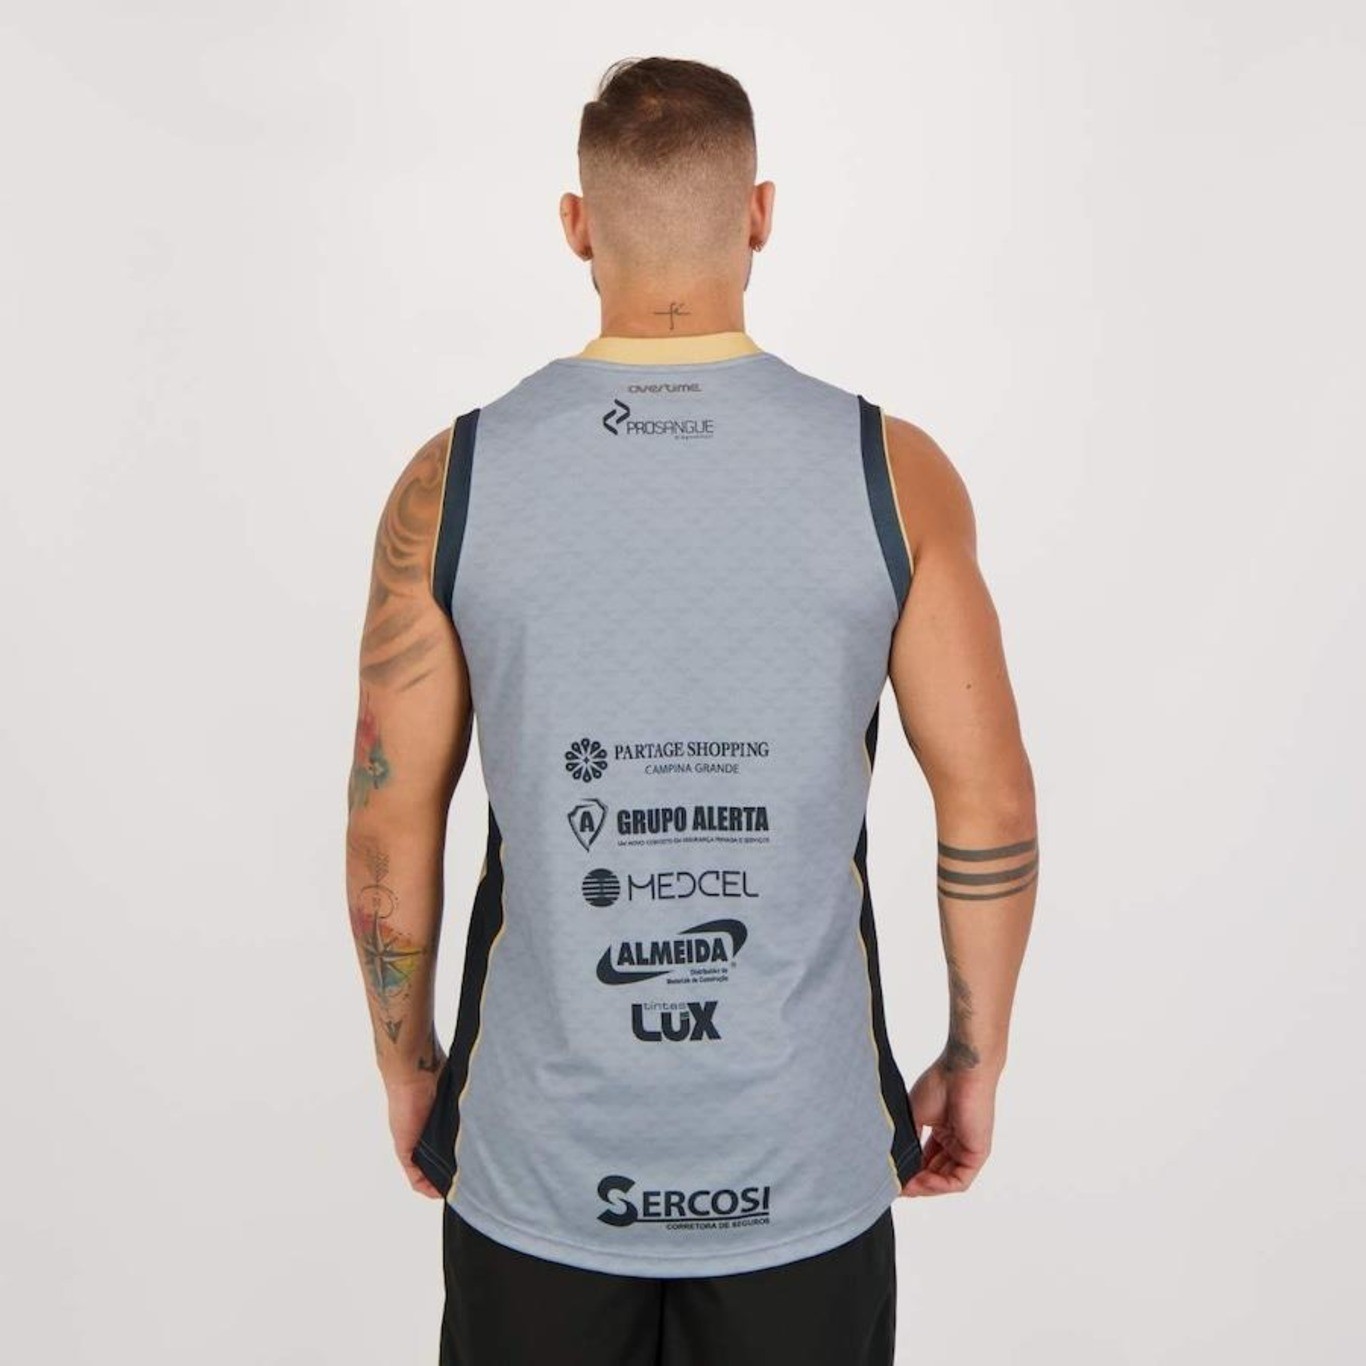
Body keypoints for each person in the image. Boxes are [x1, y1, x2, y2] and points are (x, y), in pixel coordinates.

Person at [343, 55, 1038, 1366]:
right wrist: (971, 1057)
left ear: (577, 225)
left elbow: (389, 822)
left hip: (537, 1155)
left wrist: (409, 1065)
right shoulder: (891, 471)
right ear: (760, 214)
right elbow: (988, 802)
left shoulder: (454, 481)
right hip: (804, 1154)